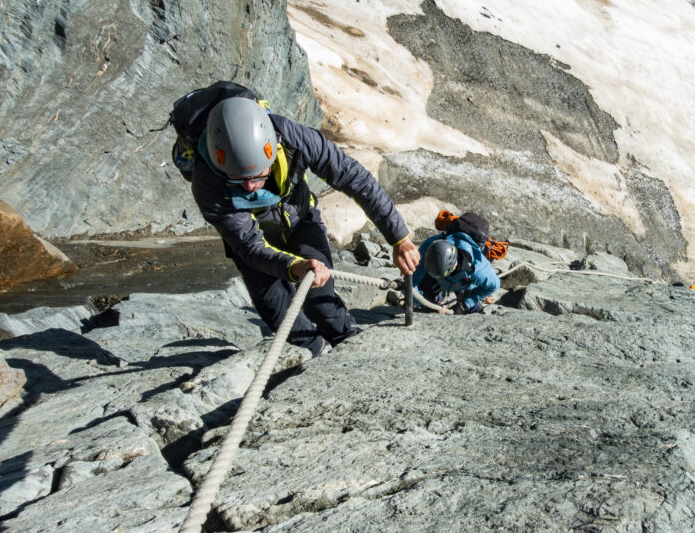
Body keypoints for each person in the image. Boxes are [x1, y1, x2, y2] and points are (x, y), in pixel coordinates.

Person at [191, 97, 419, 355]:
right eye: (237, 179)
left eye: (257, 176)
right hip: (253, 245)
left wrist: (399, 237)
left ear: (272, 146)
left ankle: (353, 349)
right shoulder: (206, 182)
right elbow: (250, 246)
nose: (250, 187)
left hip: (300, 220)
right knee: (279, 315)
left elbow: (354, 178)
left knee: (321, 300)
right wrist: (293, 266)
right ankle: (313, 355)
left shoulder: (294, 138)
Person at [412, 232, 500, 314]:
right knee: (426, 286)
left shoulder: (477, 269)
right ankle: (435, 299)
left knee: (471, 308)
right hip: (438, 279)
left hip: (464, 282)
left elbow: (494, 285)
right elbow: (410, 284)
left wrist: (465, 304)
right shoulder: (426, 250)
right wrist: (425, 304)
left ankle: (473, 308)